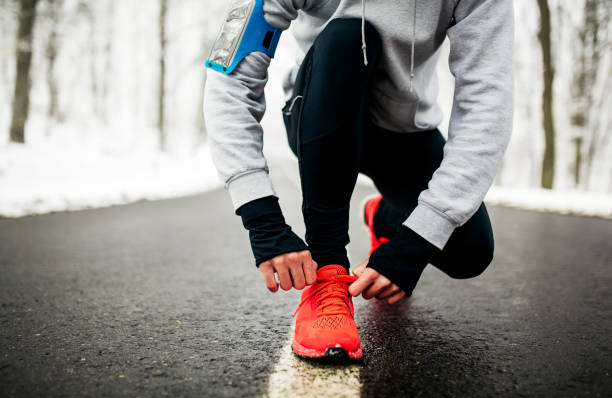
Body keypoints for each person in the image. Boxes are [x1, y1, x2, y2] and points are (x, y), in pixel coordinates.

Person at [204, 0, 514, 362]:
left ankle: (384, 217)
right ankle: (327, 273)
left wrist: (417, 239)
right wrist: (261, 218)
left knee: (469, 252)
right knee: (348, 35)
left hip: (403, 133)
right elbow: (231, 79)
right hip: (319, 113)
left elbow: (486, 101)